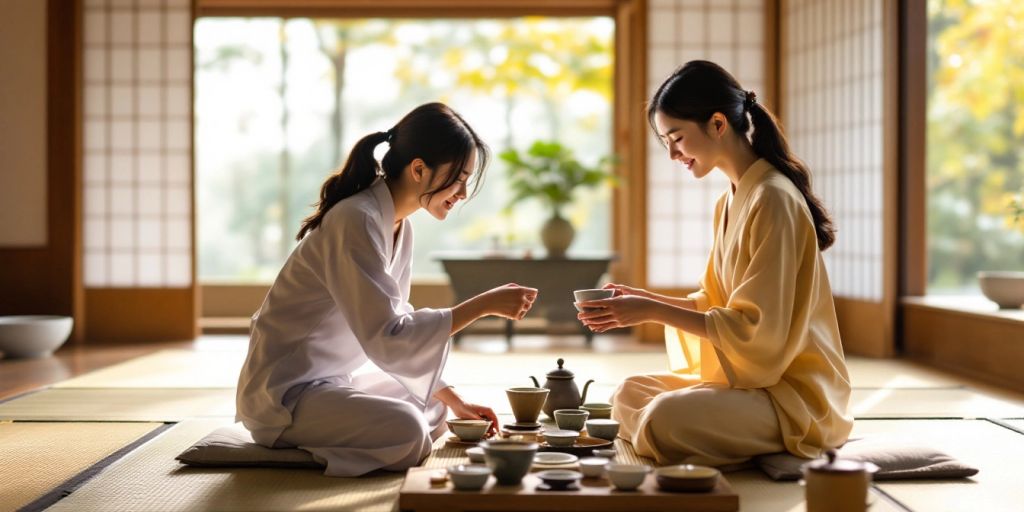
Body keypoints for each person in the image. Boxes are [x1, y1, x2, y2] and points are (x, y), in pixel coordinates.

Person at [236, 102, 539, 477]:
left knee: (436, 408)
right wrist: (481, 306)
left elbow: (398, 321)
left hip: (330, 383)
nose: (462, 193)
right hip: (284, 396)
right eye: (459, 178)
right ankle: (299, 447)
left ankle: (346, 435)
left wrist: (456, 401)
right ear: (418, 169)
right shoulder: (355, 219)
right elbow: (388, 337)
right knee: (409, 431)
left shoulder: (398, 226)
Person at [577, 61, 852, 467]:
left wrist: (652, 311)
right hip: (754, 385)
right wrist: (643, 299)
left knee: (662, 419)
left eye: (677, 138)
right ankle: (719, 439)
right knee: (629, 393)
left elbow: (755, 333)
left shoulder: (773, 198)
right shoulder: (730, 199)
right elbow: (715, 304)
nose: (672, 153)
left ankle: (732, 442)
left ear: (718, 124)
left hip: (792, 395)